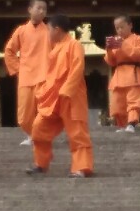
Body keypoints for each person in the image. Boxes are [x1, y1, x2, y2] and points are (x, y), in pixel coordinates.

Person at [27, 13, 94, 179]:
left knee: (77, 133)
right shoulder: (55, 48)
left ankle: (82, 167)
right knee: (38, 128)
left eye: (48, 29)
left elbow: (77, 68)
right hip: (53, 98)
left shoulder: (74, 44)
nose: (47, 33)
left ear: (56, 29)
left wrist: (67, 90)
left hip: (70, 97)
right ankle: (41, 163)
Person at [4, 0, 49, 146]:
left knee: (44, 112)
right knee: (23, 117)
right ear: (30, 9)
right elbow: (9, 51)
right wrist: (18, 69)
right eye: (38, 8)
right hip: (26, 76)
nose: (42, 11)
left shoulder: (50, 31)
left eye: (44, 9)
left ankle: (39, 136)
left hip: (44, 76)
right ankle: (32, 135)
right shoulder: (21, 31)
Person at [104, 14, 140, 132]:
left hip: (133, 74)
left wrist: (123, 45)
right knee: (118, 103)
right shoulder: (115, 41)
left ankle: (131, 123)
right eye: (117, 28)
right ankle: (122, 125)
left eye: (122, 27)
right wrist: (109, 49)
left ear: (130, 25)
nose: (119, 30)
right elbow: (111, 61)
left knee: (133, 101)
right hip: (119, 75)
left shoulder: (138, 39)